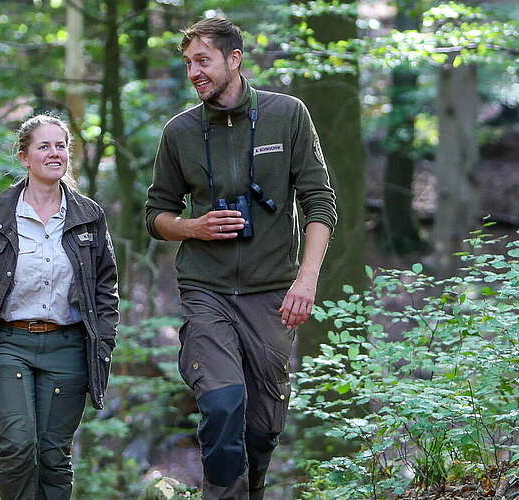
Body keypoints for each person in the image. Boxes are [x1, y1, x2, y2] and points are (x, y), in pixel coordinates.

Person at [144, 17, 338, 500]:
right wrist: (193, 227)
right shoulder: (180, 132)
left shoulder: (287, 114)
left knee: (260, 429)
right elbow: (155, 215)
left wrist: (306, 280)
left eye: (203, 60)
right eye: (188, 63)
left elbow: (319, 201)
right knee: (222, 405)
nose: (194, 72)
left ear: (234, 60)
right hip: (206, 290)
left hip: (272, 293)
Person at [0, 115, 119, 500]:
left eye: (60, 146)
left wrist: (105, 340)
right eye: (44, 146)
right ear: (24, 156)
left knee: (53, 455)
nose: (54, 153)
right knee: (17, 444)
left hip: (69, 347)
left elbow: (106, 286)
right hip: (9, 344)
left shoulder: (89, 216)